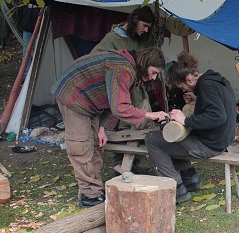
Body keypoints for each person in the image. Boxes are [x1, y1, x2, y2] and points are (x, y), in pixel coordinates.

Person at [52, 47, 168, 207]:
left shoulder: (130, 71)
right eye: (154, 72)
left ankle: (95, 187)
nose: (154, 78)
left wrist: (102, 129)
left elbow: (110, 101)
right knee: (80, 146)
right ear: (146, 63)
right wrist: (151, 115)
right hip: (73, 94)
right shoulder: (122, 69)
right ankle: (90, 196)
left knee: (96, 143)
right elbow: (120, 107)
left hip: (91, 101)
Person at [145, 51, 237, 203]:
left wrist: (185, 120)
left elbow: (218, 116)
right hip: (221, 140)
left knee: (152, 139)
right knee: (170, 140)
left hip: (210, 145)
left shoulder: (206, 86)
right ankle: (190, 178)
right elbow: (218, 107)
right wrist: (198, 99)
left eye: (182, 87)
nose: (184, 90)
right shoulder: (215, 80)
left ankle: (177, 189)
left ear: (188, 79)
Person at [93, 6, 158, 127]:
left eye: (148, 27)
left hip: (137, 92)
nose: (146, 30)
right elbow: (95, 58)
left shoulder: (141, 39)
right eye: (144, 25)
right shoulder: (112, 39)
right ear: (135, 19)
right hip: (119, 88)